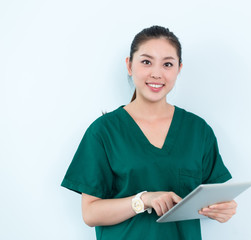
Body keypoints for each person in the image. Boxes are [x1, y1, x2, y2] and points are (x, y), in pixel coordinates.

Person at [61, 25, 237, 240]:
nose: (156, 73)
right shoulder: (103, 132)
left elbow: (212, 199)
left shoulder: (198, 131)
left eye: (167, 64)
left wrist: (222, 210)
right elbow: (90, 213)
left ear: (179, 69)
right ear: (129, 65)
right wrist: (143, 200)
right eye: (146, 62)